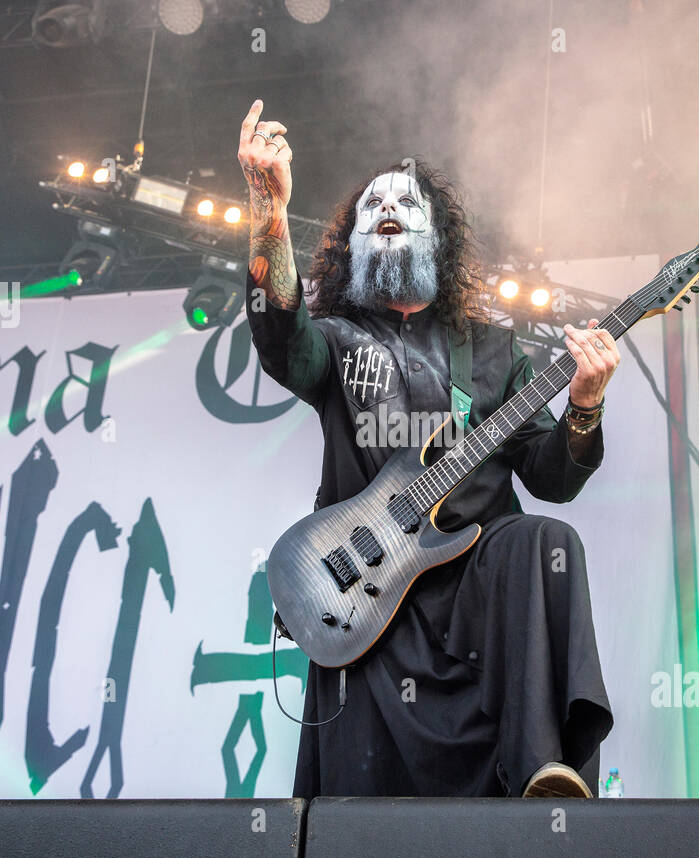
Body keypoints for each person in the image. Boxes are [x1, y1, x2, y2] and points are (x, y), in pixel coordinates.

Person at [237, 99, 617, 799]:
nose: (387, 207)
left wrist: (585, 407)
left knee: (543, 538)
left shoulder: (496, 350)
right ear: (350, 242)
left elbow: (551, 476)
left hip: (479, 593)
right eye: (371, 205)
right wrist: (268, 208)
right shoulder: (335, 338)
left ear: (438, 240)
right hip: (370, 587)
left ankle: (541, 770)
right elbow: (277, 331)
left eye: (407, 204)